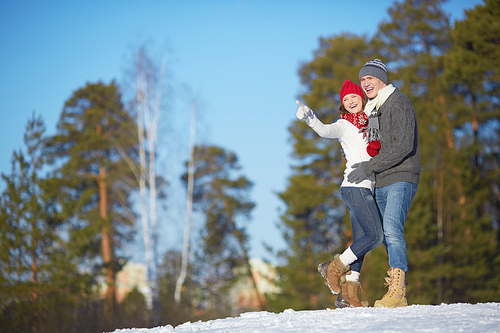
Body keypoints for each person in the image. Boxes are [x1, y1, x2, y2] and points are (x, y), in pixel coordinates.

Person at [296, 80, 384, 308]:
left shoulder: (371, 121)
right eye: (346, 99)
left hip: (365, 188)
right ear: (343, 106)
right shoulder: (344, 125)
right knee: (375, 236)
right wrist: (310, 117)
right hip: (355, 188)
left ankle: (348, 294)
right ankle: (332, 268)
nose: (351, 101)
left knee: (360, 242)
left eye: (354, 96)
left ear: (361, 98)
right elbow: (325, 131)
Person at [347, 59, 420, 308]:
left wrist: (369, 167)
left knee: (391, 227)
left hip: (401, 175)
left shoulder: (399, 102)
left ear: (382, 79)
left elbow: (403, 145)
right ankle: (392, 288)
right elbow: (373, 149)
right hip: (379, 179)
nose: (365, 83)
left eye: (370, 78)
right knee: (383, 236)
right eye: (362, 80)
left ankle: (398, 291)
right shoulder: (373, 111)